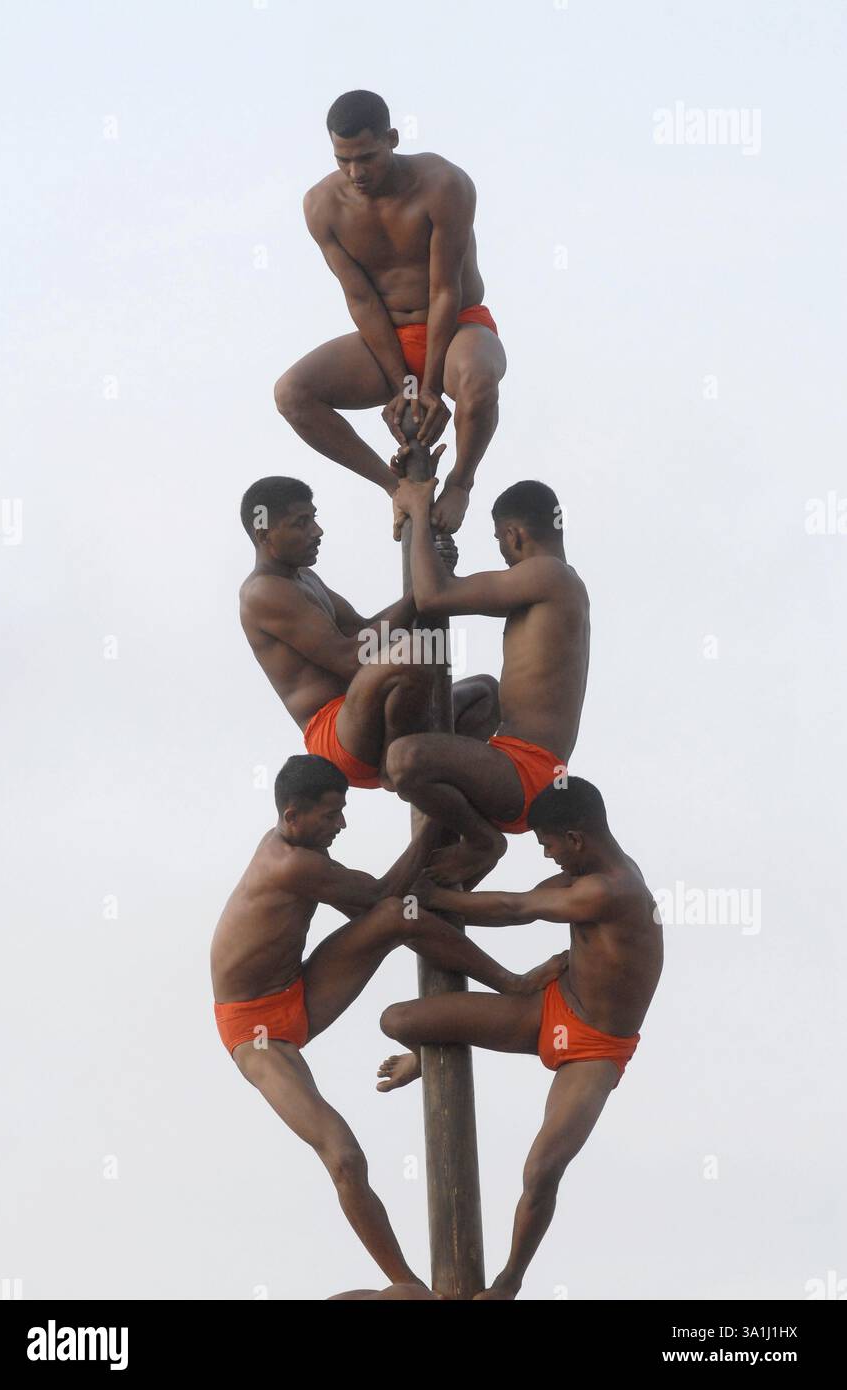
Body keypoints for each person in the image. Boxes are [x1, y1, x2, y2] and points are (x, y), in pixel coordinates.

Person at [211, 754, 561, 1287]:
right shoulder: (289, 863)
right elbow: (373, 898)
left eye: (342, 810)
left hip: (296, 990)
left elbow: (386, 906)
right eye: (331, 815)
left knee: (404, 916)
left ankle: (511, 983)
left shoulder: (299, 849)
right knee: (344, 1154)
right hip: (255, 1029)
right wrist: (433, 827)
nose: (341, 825)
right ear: (291, 817)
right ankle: (409, 1285)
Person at [377, 778, 663, 1300]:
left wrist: (435, 895)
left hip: (595, 1047)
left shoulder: (612, 889)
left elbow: (517, 909)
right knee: (398, 1020)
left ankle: (509, 1281)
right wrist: (438, 894)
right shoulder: (583, 875)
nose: (548, 855)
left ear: (575, 838)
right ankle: (425, 1055)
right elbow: (520, 903)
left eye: (548, 844)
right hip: (550, 1007)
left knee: (542, 1168)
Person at [274, 89, 507, 534]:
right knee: (291, 394)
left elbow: (444, 290)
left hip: (458, 327)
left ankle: (460, 483)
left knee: (478, 381)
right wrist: (404, 382)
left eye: (366, 157)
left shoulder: (444, 184)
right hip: (387, 343)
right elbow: (360, 300)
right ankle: (395, 488)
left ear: (392, 139)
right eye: (343, 160)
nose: (355, 172)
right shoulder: (322, 206)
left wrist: (431, 386)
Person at [385, 478, 590, 883]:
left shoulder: (547, 575)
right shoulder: (560, 583)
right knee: (483, 691)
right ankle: (427, 866)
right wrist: (443, 567)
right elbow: (448, 590)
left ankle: (483, 841)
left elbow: (433, 598)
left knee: (402, 760)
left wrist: (420, 511)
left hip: (525, 773)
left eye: (499, 539)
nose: (501, 550)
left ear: (513, 535)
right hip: (515, 761)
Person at [239, 475, 497, 789]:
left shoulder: (304, 577)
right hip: (337, 736)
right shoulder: (263, 592)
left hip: (373, 712)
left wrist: (426, 586)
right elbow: (351, 659)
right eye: (301, 523)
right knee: (413, 652)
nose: (316, 531)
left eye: (314, 519)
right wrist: (420, 594)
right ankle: (396, 766)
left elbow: (364, 631)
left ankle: (430, 779)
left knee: (486, 694)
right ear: (265, 534)